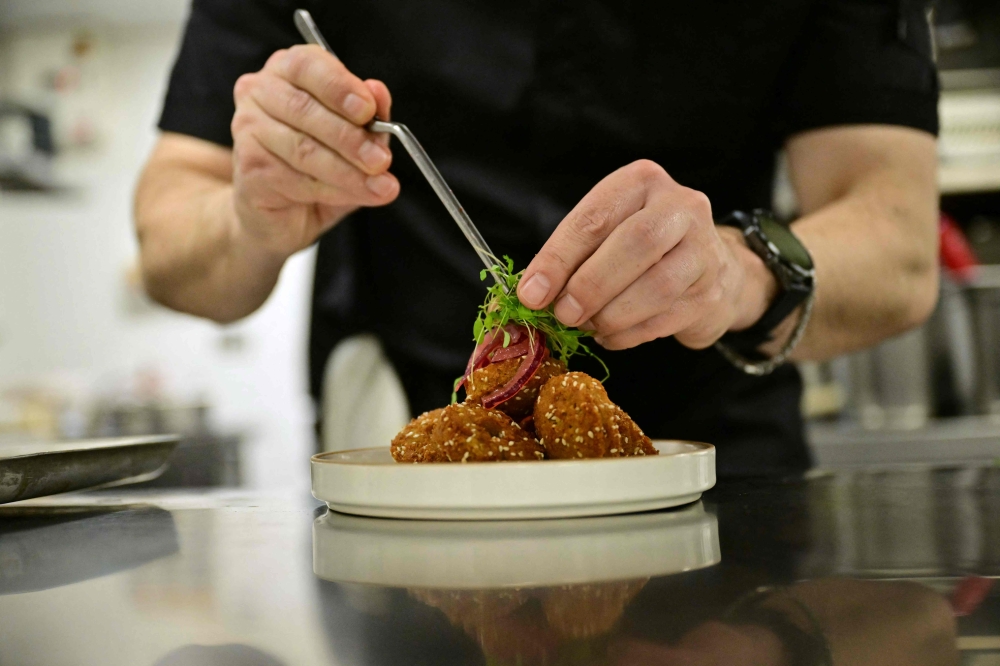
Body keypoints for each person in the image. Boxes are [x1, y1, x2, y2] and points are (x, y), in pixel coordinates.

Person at [135, 0, 940, 476]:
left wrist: (737, 271)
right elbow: (169, 246)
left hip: (718, 486)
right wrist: (252, 218)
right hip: (407, 498)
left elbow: (899, 245)